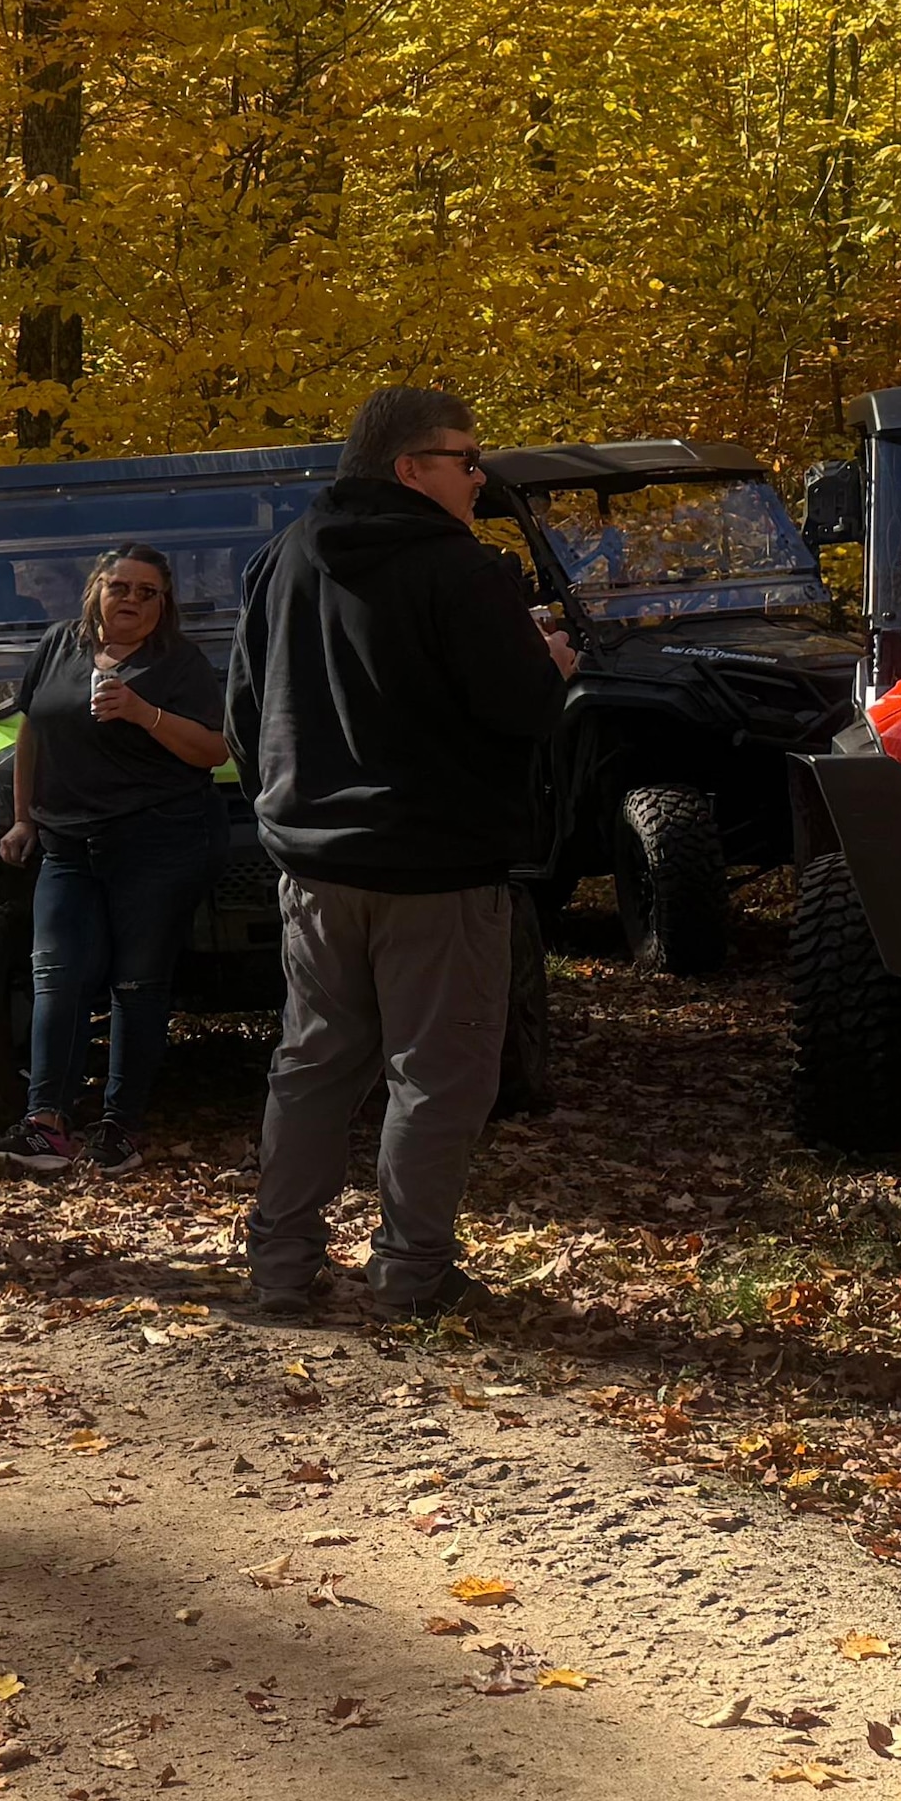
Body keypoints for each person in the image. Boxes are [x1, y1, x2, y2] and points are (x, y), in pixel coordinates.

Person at [233, 384, 566, 1321]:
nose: (480, 479)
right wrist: (554, 669)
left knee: (312, 1067)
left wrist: (286, 813)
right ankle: (411, 1274)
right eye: (468, 461)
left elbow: (244, 715)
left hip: (317, 867)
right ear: (410, 468)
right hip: (439, 869)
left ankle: (281, 1269)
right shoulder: (461, 571)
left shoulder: (280, 559)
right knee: (439, 1077)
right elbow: (522, 710)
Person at [0, 544, 236, 1174]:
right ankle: (46, 1124)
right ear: (96, 590)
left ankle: (120, 1130)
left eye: (146, 592)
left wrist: (142, 712)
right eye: (119, 586)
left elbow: (211, 751)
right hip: (67, 842)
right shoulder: (58, 645)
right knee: (58, 975)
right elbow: (32, 733)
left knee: (137, 983)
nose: (129, 599)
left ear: (164, 604)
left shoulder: (179, 663)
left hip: (160, 841)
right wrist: (23, 818)